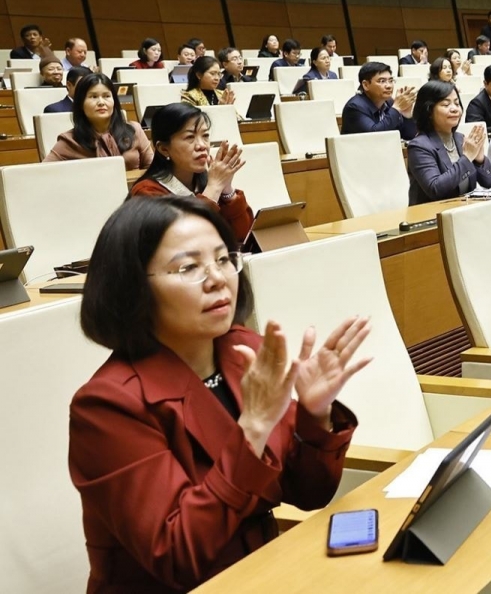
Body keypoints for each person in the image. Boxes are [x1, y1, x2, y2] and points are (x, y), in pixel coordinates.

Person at [68, 196, 367, 591]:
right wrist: (254, 428)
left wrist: (314, 415)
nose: (217, 278)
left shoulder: (243, 351)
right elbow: (178, 555)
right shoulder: (108, 406)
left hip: (262, 576)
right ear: (133, 287)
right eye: (189, 267)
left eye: (224, 259)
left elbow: (309, 492)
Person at [132, 104, 254, 238]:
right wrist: (213, 188)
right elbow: (185, 239)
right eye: (190, 137)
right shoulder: (146, 192)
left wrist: (226, 190)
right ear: (163, 149)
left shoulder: (206, 181)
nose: (202, 145)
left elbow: (243, 235)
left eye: (205, 136)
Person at [406, 80, 491, 204]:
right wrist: (467, 157)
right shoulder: (419, 146)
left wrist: (480, 160)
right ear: (428, 111)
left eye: (457, 103)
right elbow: (435, 189)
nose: (455, 109)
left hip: (464, 211)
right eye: (446, 105)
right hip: (431, 217)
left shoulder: (461, 139)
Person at [44, 73, 153, 170]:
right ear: (81, 103)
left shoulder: (134, 129)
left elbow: (154, 169)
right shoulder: (69, 140)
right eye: (93, 97)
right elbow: (43, 172)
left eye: (106, 96)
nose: (101, 102)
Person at [341, 62, 418, 139]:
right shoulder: (355, 107)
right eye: (382, 81)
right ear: (366, 85)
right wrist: (397, 108)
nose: (389, 86)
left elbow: (409, 136)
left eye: (391, 81)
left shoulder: (389, 102)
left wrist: (407, 114)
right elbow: (375, 136)